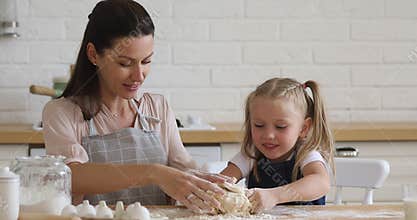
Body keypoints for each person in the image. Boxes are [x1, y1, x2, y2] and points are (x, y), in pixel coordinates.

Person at [42, 0, 230, 214]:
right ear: (94, 54)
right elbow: (71, 176)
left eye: (146, 61)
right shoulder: (62, 113)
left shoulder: (157, 108)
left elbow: (182, 168)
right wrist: (153, 172)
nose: (138, 76)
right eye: (125, 63)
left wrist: (210, 185)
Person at [221, 77, 335, 213]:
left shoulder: (306, 154)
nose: (268, 135)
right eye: (259, 125)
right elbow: (221, 183)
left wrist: (275, 195)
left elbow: (321, 182)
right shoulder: (251, 154)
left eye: (280, 127)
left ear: (303, 128)